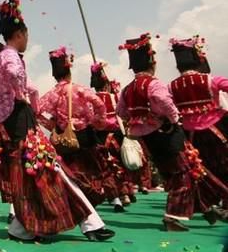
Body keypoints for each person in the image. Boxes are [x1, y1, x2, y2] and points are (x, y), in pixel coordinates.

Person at [0, 0, 115, 242]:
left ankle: (21, 228)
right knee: (50, 169)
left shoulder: (1, 59)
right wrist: (22, 93)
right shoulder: (11, 57)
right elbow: (19, 79)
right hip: (23, 123)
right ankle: (91, 224)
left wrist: (29, 100)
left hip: (16, 123)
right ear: (19, 34)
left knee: (32, 173)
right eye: (27, 35)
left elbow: (26, 91)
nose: (28, 40)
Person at [117, 33, 228, 230]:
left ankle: (208, 208)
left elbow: (121, 112)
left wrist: (142, 118)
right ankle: (172, 217)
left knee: (187, 171)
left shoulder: (128, 90)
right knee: (183, 173)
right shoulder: (158, 84)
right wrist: (173, 118)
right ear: (152, 62)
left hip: (154, 139)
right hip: (171, 134)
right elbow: (165, 102)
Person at [38, 48, 121, 211]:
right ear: (69, 70)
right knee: (98, 167)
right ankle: (111, 198)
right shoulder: (78, 89)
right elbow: (99, 104)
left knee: (73, 171)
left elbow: (36, 112)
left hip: (64, 137)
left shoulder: (52, 94)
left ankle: (82, 201)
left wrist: (52, 125)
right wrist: (97, 122)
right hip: (84, 134)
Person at [168, 37, 228, 187]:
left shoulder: (171, 87)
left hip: (191, 135)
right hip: (217, 129)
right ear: (197, 60)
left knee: (203, 167)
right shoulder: (211, 80)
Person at [89, 63, 136, 207]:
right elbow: (123, 114)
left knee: (106, 166)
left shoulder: (91, 99)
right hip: (116, 135)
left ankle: (115, 197)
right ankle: (125, 192)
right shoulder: (114, 97)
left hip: (99, 137)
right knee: (120, 163)